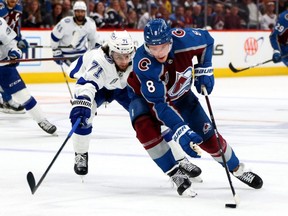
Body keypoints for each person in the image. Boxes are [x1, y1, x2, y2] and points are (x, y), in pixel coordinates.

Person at [129, 18, 264, 195]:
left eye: (162, 46)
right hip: (147, 102)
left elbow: (207, 40)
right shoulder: (143, 63)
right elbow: (159, 105)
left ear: (170, 39)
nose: (157, 52)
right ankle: (175, 173)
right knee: (144, 128)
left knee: (209, 138)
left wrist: (204, 67)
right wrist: (180, 129)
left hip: (183, 97)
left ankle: (237, 169)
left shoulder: (184, 40)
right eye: (152, 48)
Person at [67, 30, 202, 196]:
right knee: (82, 119)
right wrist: (82, 104)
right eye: (118, 57)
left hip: (125, 88)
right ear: (110, 52)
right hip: (101, 87)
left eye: (127, 56)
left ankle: (181, 159)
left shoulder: (138, 58)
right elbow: (87, 84)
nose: (124, 61)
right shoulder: (99, 61)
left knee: (153, 118)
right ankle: (81, 153)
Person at [0, 17, 57, 135]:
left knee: (23, 95)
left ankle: (42, 120)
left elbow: (11, 43)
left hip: (3, 65)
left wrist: (15, 52)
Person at [0, 0, 29, 114]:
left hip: (6, 44)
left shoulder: (19, 7)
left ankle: (6, 100)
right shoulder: (1, 5)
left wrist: (19, 39)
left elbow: (16, 25)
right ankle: (7, 100)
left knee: (8, 69)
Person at [50, 0, 100, 67]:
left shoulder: (90, 23)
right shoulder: (65, 23)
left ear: (85, 12)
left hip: (82, 54)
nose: (80, 14)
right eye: (78, 11)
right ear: (74, 12)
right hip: (66, 55)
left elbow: (94, 39)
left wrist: (94, 53)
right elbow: (54, 37)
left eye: (82, 11)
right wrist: (56, 53)